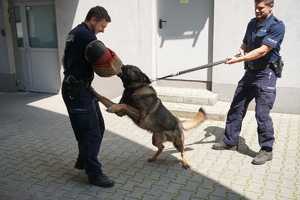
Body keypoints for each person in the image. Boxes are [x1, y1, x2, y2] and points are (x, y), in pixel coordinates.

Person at [212, 0, 285, 165]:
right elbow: (246, 43)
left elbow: (262, 50)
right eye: (255, 7)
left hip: (266, 74)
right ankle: (230, 141)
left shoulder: (277, 26)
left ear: (270, 6)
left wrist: (238, 60)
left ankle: (266, 149)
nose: (257, 11)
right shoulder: (252, 23)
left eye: (261, 8)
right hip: (250, 73)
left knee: (262, 113)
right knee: (236, 107)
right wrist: (241, 50)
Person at [61, 6, 115, 187]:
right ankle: (94, 175)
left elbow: (63, 59)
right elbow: (103, 60)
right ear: (93, 20)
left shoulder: (74, 32)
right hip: (76, 91)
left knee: (97, 128)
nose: (102, 30)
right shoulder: (87, 36)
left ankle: (83, 161)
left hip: (80, 89)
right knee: (91, 133)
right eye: (101, 26)